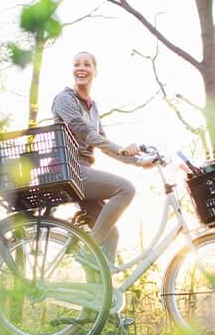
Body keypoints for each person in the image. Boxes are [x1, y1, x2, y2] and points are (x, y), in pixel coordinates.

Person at [52, 51, 147, 268]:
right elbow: (85, 132)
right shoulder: (64, 99)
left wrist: (139, 161)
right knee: (126, 189)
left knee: (110, 234)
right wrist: (122, 148)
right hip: (68, 170)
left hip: (82, 173)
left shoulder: (93, 107)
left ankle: (99, 298)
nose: (81, 68)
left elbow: (104, 144)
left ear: (95, 71)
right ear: (72, 70)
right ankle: (88, 250)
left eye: (87, 64)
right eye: (77, 64)